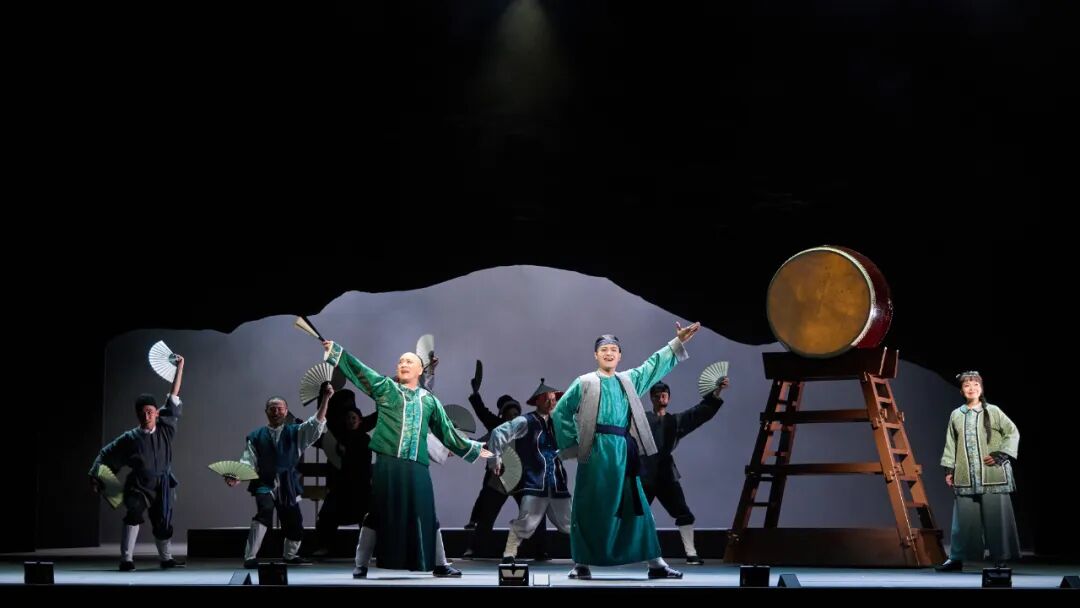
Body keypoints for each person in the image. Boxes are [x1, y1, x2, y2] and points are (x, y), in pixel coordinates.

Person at [552, 322, 700, 580]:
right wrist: (576, 444)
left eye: (613, 349)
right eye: (604, 350)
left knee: (636, 504)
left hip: (624, 451)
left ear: (620, 355)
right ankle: (581, 563)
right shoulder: (585, 382)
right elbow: (561, 412)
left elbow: (653, 366)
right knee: (589, 505)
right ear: (595, 355)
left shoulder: (628, 380)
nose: (609, 353)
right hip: (596, 451)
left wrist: (677, 343)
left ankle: (656, 563)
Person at [90, 355, 186, 571]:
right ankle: (126, 559)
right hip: (139, 485)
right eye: (142, 413)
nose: (146, 416)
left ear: (157, 413)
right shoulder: (130, 438)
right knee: (133, 512)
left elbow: (174, 395)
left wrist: (179, 368)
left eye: (150, 411)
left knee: (163, 521)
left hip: (162, 484)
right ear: (137, 415)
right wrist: (96, 477)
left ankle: (166, 558)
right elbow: (106, 455)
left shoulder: (166, 428)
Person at [936, 371, 1020, 571]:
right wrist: (949, 469)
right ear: (961, 391)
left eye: (975, 385)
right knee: (964, 519)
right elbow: (951, 443)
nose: (971, 388)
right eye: (967, 385)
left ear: (981, 389)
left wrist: (1001, 453)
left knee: (997, 517)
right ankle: (957, 558)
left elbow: (1012, 432)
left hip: (993, 474)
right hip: (965, 474)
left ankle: (1001, 557)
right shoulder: (956, 414)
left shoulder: (993, 411)